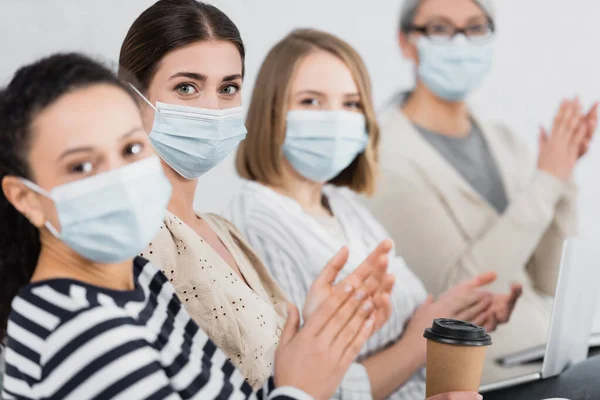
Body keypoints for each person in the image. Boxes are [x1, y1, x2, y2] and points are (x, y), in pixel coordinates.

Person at [0, 52, 396, 400]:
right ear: (26, 198)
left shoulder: (140, 282)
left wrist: (313, 345)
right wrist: (301, 389)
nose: (120, 177)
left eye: (131, 149)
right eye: (81, 166)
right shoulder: (80, 334)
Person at [228, 28, 522, 400]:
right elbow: (304, 389)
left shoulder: (345, 207)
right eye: (311, 101)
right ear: (270, 112)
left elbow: (413, 321)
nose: (335, 119)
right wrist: (417, 344)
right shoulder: (257, 221)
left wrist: (458, 317)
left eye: (351, 104)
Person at [117, 0, 396, 391]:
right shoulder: (130, 241)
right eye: (186, 87)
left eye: (228, 88)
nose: (213, 108)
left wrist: (319, 332)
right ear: (132, 96)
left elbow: (285, 379)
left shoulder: (222, 230)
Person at [365, 0, 598, 357]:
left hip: (546, 358)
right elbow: (457, 293)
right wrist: (547, 181)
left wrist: (563, 179)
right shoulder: (385, 157)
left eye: (475, 28)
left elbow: (550, 280)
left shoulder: (504, 141)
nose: (461, 44)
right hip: (479, 379)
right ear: (406, 42)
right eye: (440, 29)